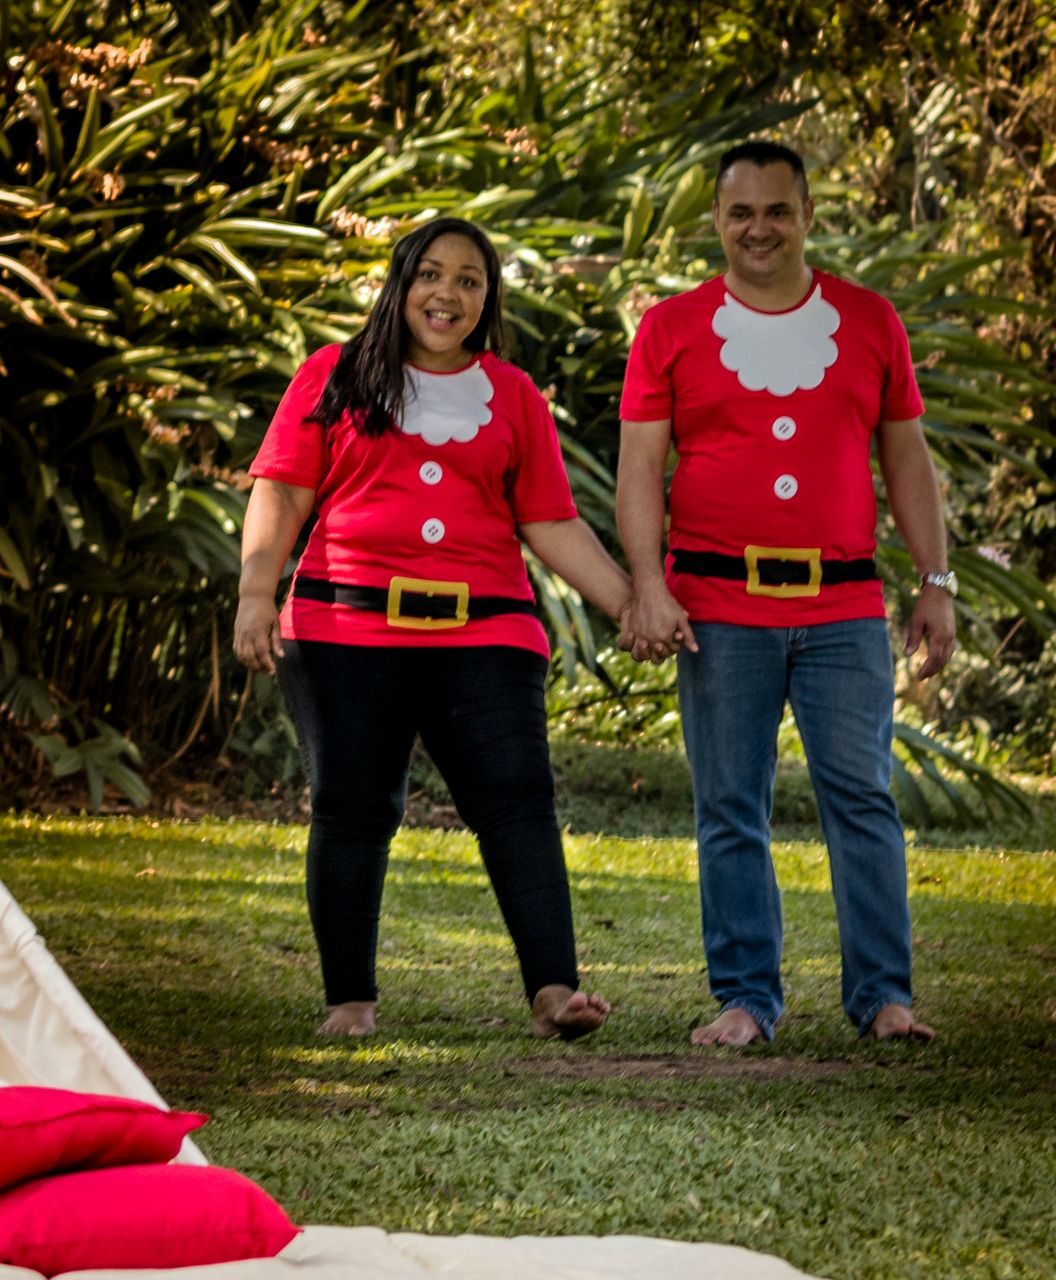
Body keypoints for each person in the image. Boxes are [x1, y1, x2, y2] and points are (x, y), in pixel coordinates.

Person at [234, 217, 633, 1039]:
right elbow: (281, 492)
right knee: (351, 807)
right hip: (344, 630)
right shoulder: (332, 376)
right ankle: (349, 1002)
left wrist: (632, 603)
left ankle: (556, 994)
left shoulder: (514, 395)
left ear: (487, 300)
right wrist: (255, 592)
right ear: (400, 282)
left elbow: (551, 522)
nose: (447, 294)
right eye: (431, 275)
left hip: (486, 634)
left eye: (469, 281)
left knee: (518, 803)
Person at [616, 140, 952, 1049]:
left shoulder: (871, 320)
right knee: (731, 803)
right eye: (740, 213)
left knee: (862, 797)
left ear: (807, 215)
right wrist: (648, 584)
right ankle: (745, 999)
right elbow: (641, 468)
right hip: (719, 604)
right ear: (717, 222)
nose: (758, 228)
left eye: (776, 210)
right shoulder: (671, 328)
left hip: (844, 606)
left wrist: (936, 582)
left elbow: (907, 458)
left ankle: (884, 997)